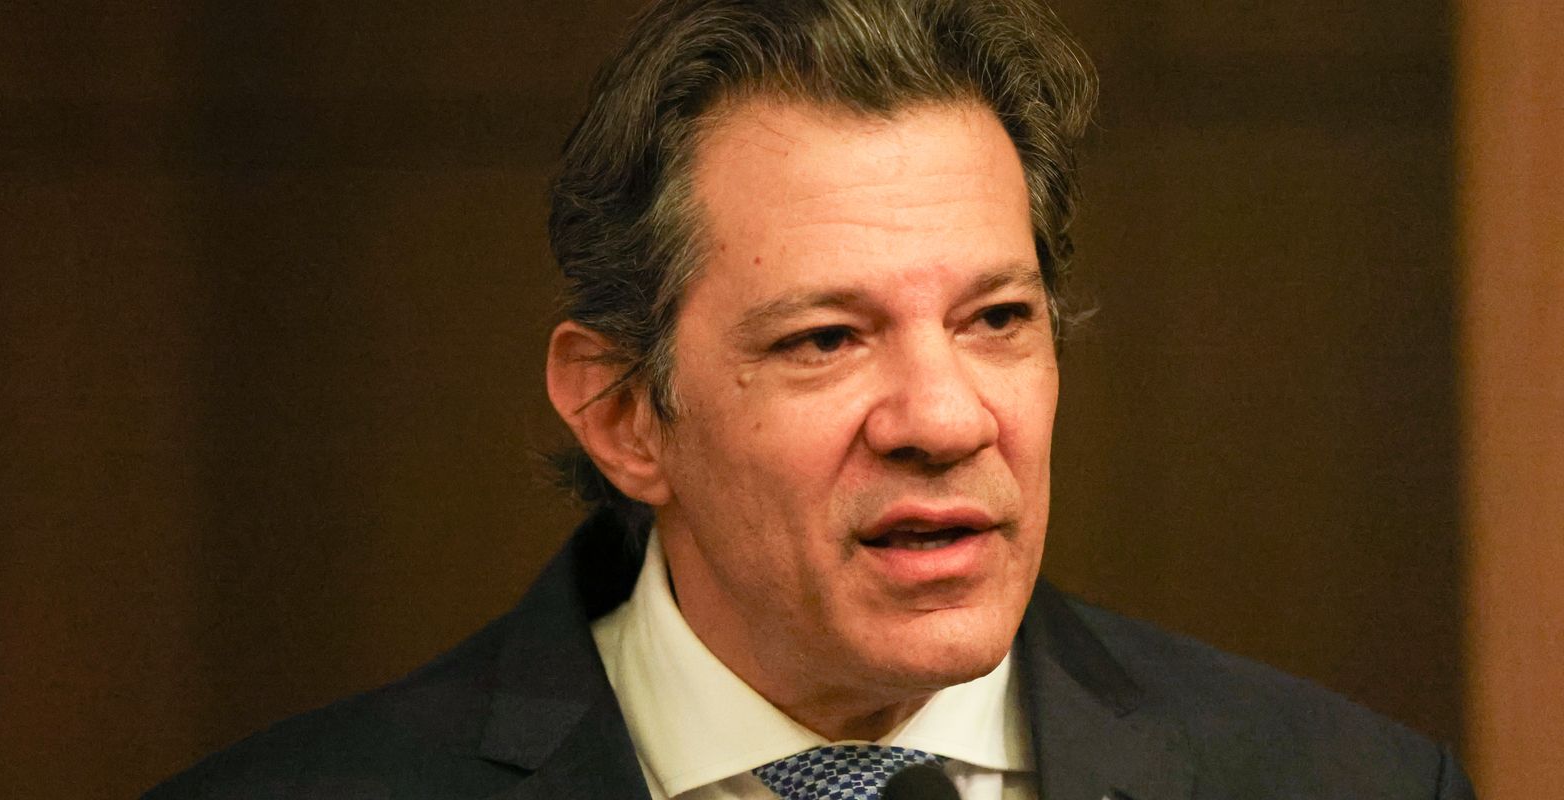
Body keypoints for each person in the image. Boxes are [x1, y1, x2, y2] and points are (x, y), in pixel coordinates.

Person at [146, 1, 1476, 798]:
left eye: (996, 321)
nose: (944, 420)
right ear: (622, 414)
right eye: (828, 339)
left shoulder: (1344, 784)